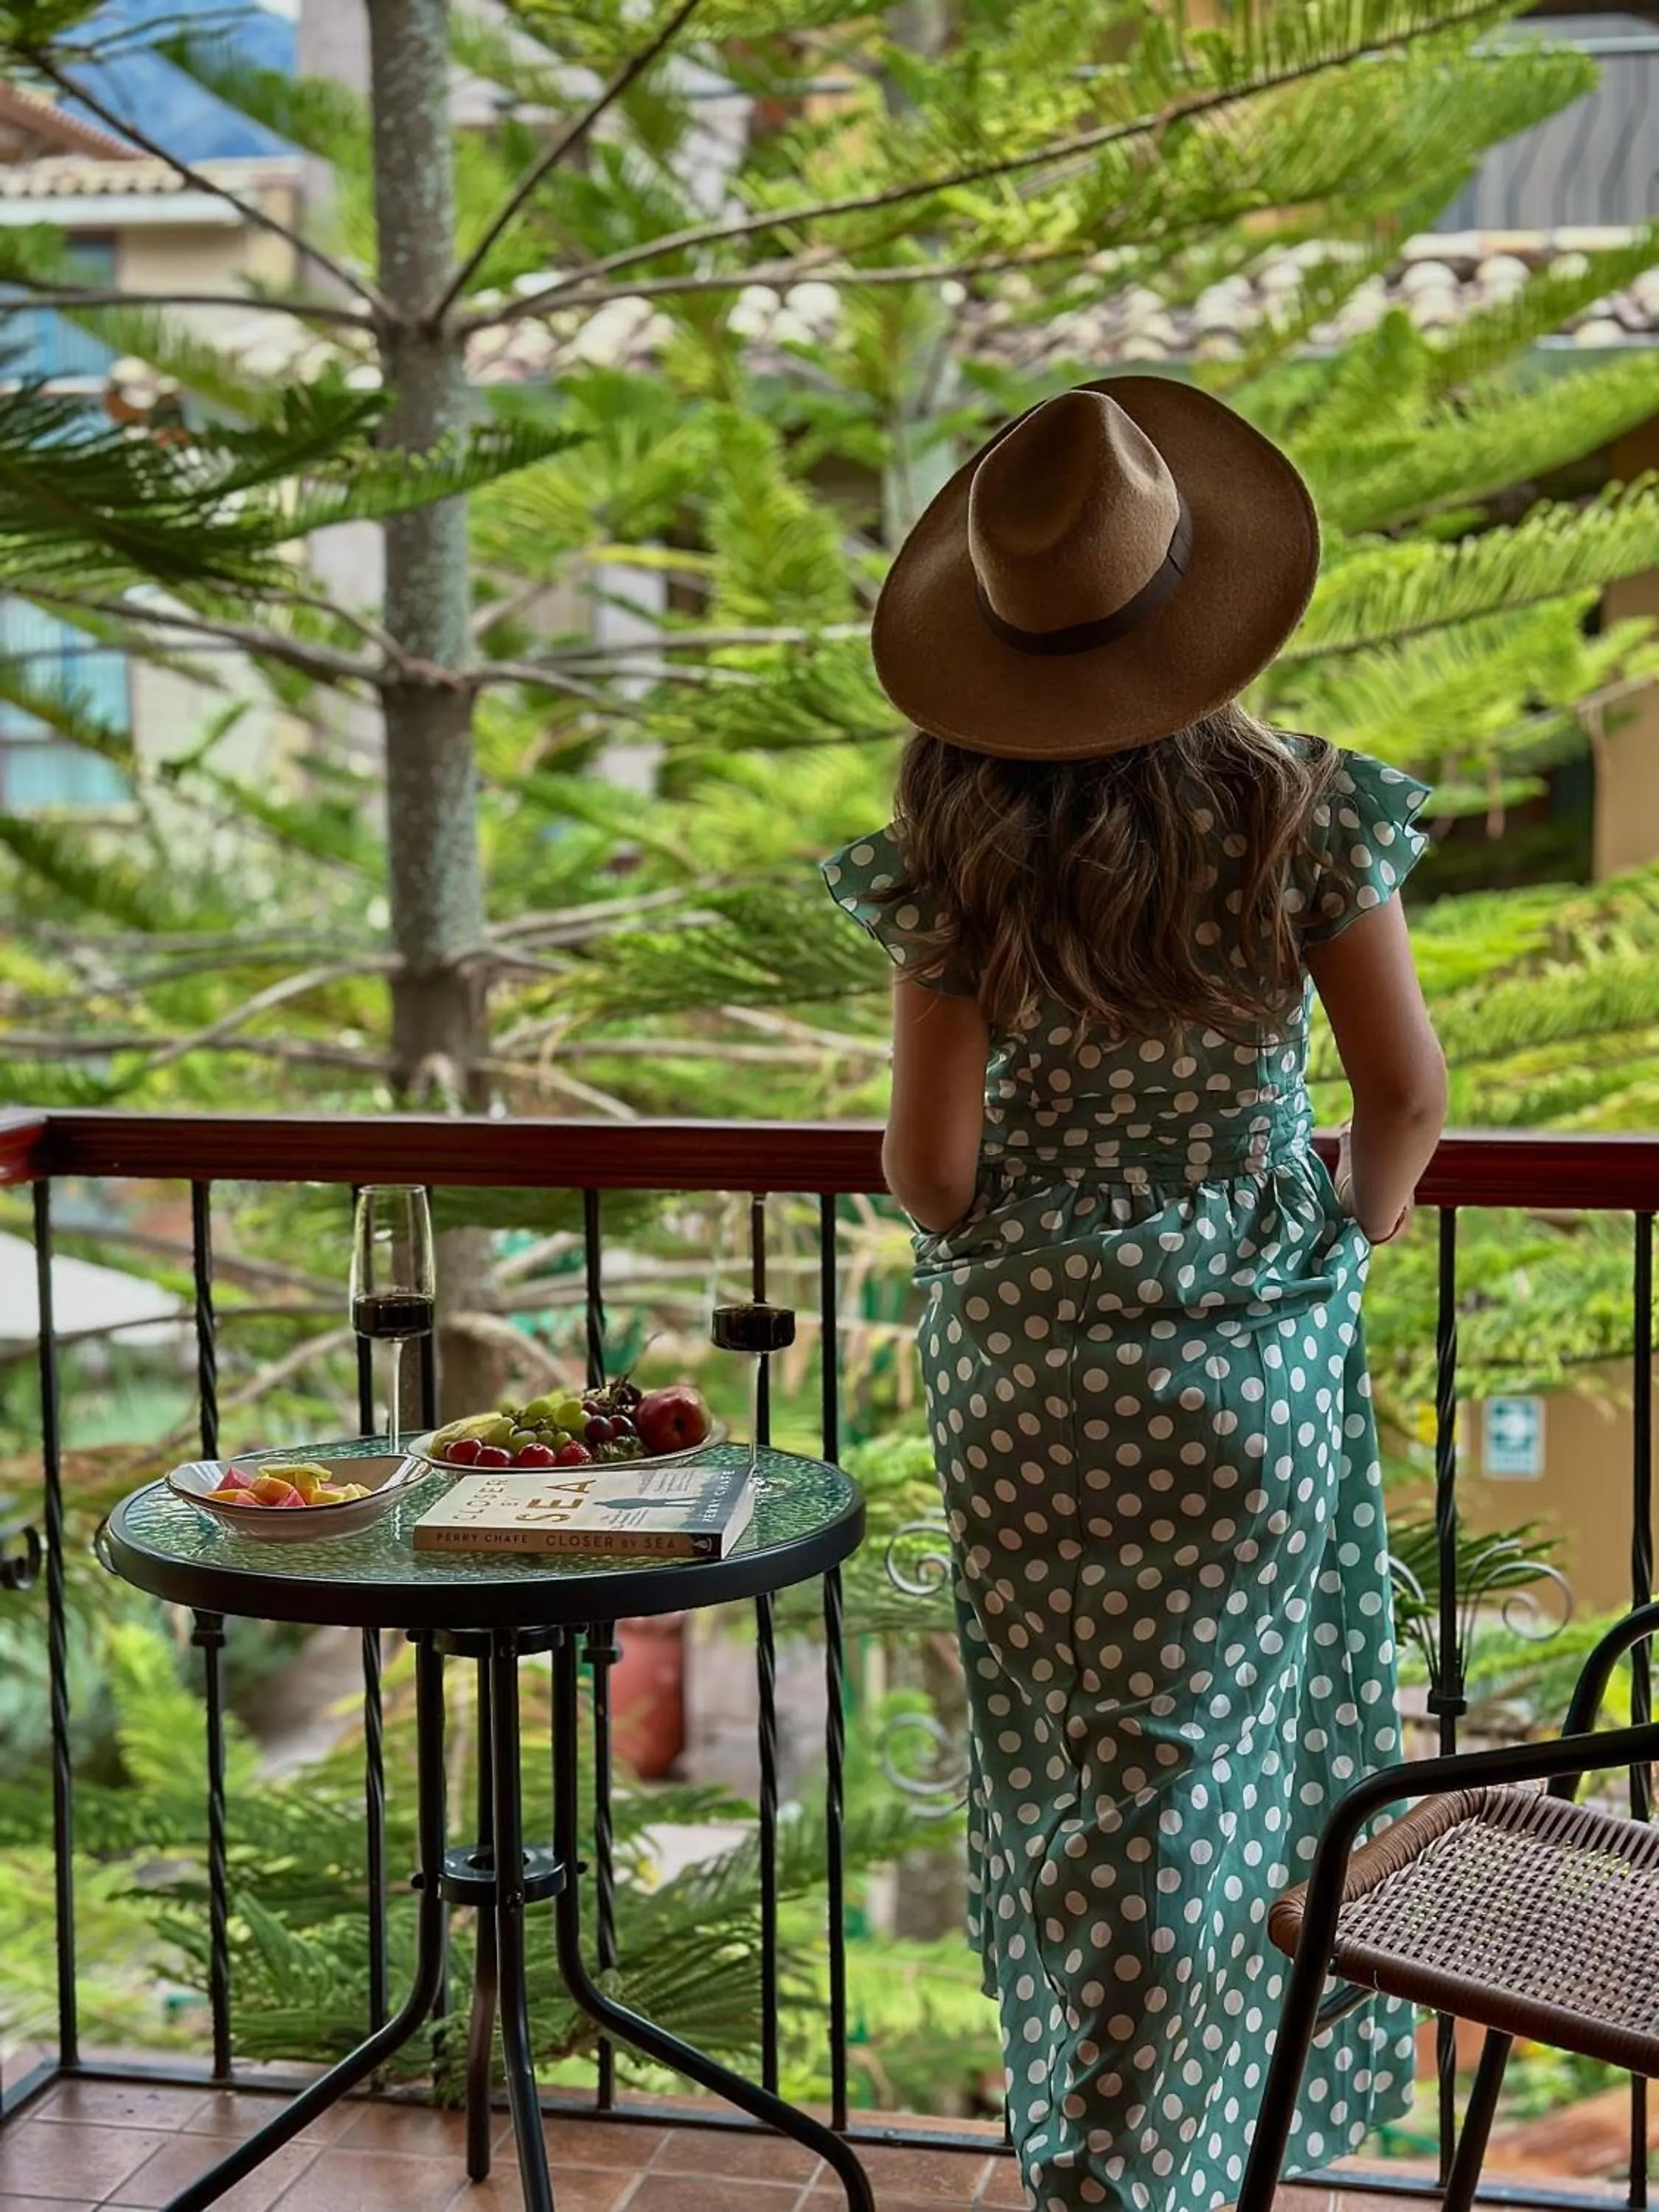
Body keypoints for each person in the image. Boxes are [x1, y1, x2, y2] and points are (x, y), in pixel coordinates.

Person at [821, 378, 1447, 2212]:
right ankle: (1167, 2161)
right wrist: (1352, 1218)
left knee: (1082, 1783)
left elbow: (933, 1178)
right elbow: (1403, 1100)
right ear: (1199, 598)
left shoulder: (958, 849)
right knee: (1220, 1786)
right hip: (1246, 1377)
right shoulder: (1300, 815)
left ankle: (1094, 2150)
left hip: (1032, 1390)